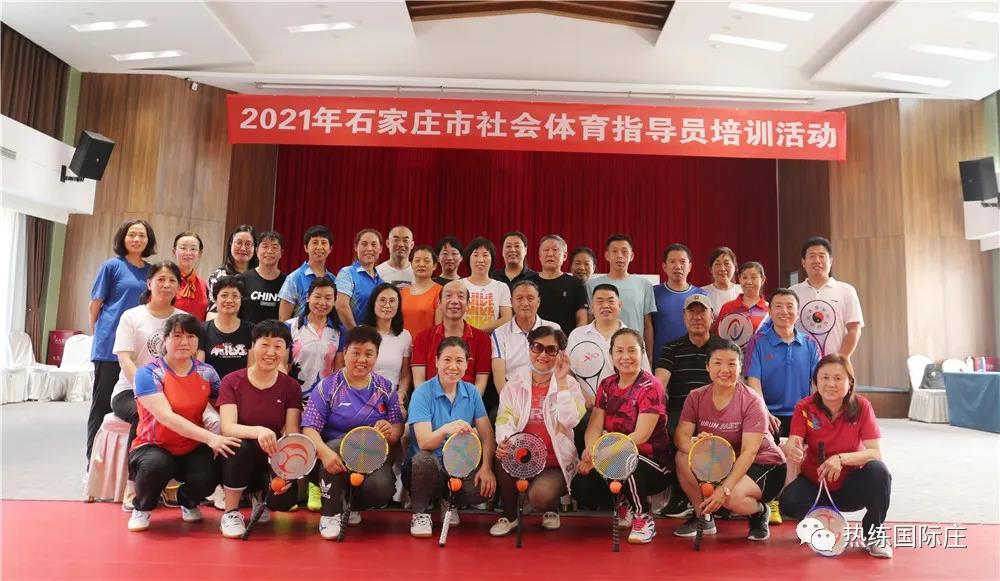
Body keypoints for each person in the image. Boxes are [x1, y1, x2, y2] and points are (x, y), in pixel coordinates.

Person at [126, 313, 239, 532]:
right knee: (156, 466)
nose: (184, 342)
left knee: (211, 472)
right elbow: (166, 417)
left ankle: (186, 501)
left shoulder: (207, 373)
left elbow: (224, 407)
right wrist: (211, 438)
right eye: (177, 336)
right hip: (153, 445)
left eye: (191, 336)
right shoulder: (148, 373)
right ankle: (142, 507)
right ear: (165, 340)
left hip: (191, 446)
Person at [671, 339, 787, 542]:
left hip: (764, 464)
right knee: (683, 457)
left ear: (740, 368)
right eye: (717, 363)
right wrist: (697, 446)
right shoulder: (696, 396)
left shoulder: (752, 400)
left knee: (731, 497)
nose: (724, 370)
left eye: (732, 364)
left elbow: (750, 452)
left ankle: (759, 512)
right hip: (725, 460)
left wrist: (724, 490)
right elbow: (681, 437)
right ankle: (703, 517)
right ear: (707, 366)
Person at [778, 354, 893, 558]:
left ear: (850, 383)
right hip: (816, 485)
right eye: (825, 378)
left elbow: (875, 452)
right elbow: (794, 441)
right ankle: (822, 523)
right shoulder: (804, 407)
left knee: (879, 472)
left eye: (838, 378)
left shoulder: (862, 407)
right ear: (815, 382)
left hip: (850, 486)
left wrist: (841, 459)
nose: (831, 384)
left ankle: (874, 534)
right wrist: (792, 449)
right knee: (788, 500)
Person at [301, 326, 405, 539]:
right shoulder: (327, 387)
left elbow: (396, 428)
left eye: (369, 354)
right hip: (331, 458)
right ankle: (330, 514)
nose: (362, 359)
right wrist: (324, 453)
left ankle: (352, 504)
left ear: (376, 356)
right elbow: (309, 428)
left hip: (370, 456)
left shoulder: (385, 388)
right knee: (333, 447)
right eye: (356, 353)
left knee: (383, 487)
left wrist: (389, 431)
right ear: (345, 353)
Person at [572, 328, 671, 545]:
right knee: (582, 484)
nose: (625, 357)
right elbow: (594, 426)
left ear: (642, 353)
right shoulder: (607, 385)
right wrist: (590, 451)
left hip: (652, 463)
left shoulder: (651, 386)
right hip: (612, 455)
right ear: (611, 355)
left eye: (632, 350)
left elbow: (640, 436)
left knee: (627, 461)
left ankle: (643, 516)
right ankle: (625, 502)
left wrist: (600, 455)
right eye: (619, 351)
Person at [491, 327, 585, 536]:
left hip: (554, 462)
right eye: (537, 347)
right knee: (502, 454)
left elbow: (570, 420)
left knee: (540, 497)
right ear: (529, 348)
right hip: (523, 457)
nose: (543, 354)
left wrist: (562, 381)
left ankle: (550, 507)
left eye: (551, 350)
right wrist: (506, 441)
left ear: (559, 354)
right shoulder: (514, 384)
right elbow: (504, 419)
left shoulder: (570, 385)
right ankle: (510, 515)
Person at [216, 320, 302, 538]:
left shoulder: (291, 387)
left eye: (278, 346)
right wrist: (260, 431)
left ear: (286, 351)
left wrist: (288, 470)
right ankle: (231, 512)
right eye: (265, 344)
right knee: (237, 447)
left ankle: (258, 496)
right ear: (253, 346)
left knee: (283, 501)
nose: (271, 352)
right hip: (239, 454)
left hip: (271, 455)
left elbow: (292, 432)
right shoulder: (231, 381)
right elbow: (227, 427)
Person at [405, 337, 497, 538]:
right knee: (424, 460)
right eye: (447, 360)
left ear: (467, 364)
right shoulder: (422, 393)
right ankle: (420, 512)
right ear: (436, 361)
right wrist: (447, 428)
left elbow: (487, 434)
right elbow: (424, 442)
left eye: (459, 361)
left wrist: (486, 467)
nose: (453, 367)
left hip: (458, 465)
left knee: (483, 489)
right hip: (425, 467)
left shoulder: (471, 392)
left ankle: (449, 500)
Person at [110, 261, 187, 493]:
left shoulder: (184, 319)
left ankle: (173, 482)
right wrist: (146, 391)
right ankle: (133, 485)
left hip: (173, 389)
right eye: (160, 279)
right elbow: (125, 360)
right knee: (142, 414)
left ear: (179, 287)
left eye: (172, 280)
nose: (166, 284)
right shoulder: (132, 316)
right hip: (130, 390)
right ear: (149, 283)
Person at [746, 288, 821, 526]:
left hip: (801, 413)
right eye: (778, 306)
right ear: (769, 311)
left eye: (790, 307)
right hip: (769, 413)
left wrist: (812, 413)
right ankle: (772, 500)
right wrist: (763, 412)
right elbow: (753, 380)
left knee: (809, 454)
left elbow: (817, 383)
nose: (784, 311)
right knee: (772, 458)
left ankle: (806, 500)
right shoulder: (758, 342)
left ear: (798, 313)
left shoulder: (810, 344)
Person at [86, 219, 155, 461]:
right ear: (123, 238)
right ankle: (92, 463)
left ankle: (127, 463)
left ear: (149, 240)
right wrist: (99, 335)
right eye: (131, 234)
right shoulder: (111, 266)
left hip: (139, 348)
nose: (136, 239)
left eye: (142, 235)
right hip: (110, 346)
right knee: (102, 405)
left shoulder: (152, 271)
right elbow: (95, 305)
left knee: (136, 405)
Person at [654, 293, 715, 518]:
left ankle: (718, 498)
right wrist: (654, 404)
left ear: (712, 316)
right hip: (680, 412)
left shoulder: (722, 347)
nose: (697, 317)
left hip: (716, 413)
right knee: (667, 430)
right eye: (692, 312)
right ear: (684, 317)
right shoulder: (672, 347)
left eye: (702, 312)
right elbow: (660, 380)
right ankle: (681, 496)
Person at [566, 284, 651, 408]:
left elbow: (645, 377)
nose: (605, 305)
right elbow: (567, 372)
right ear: (592, 307)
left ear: (620, 305)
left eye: (611, 301)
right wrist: (584, 397)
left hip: (624, 410)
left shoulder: (633, 337)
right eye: (600, 301)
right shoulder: (576, 335)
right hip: (585, 408)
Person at [411, 281, 491, 395]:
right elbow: (419, 383)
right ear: (439, 302)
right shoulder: (422, 338)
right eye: (448, 295)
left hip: (468, 402)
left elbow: (480, 384)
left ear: (468, 303)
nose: (454, 301)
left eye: (460, 296)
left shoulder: (482, 339)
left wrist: (465, 404)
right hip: (430, 401)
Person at [586, 234, 655, 365]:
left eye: (624, 252)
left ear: (631, 256)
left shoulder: (644, 285)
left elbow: (647, 324)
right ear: (607, 255)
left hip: (633, 352)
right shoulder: (592, 285)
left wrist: (649, 357)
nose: (619, 256)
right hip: (600, 351)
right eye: (614, 251)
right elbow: (589, 320)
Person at [790, 237, 864, 357]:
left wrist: (841, 359)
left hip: (835, 363)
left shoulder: (846, 290)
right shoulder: (792, 292)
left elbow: (854, 329)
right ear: (803, 262)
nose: (817, 260)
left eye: (822, 256)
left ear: (830, 261)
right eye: (812, 256)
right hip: (800, 362)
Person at [491, 280, 560, 391]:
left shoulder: (554, 328)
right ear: (511, 302)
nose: (524, 303)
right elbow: (498, 373)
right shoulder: (500, 333)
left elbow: (561, 365)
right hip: (513, 392)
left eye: (530, 298)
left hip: (549, 391)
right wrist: (507, 399)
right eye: (519, 298)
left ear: (538, 301)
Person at [287, 278, 343, 399]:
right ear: (308, 297)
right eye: (317, 296)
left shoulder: (340, 332)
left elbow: (338, 372)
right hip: (291, 395)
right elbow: (281, 366)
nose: (322, 303)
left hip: (323, 398)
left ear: (334, 301)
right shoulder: (290, 326)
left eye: (328, 298)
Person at [652, 243, 703, 363]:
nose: (678, 266)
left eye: (682, 261)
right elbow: (648, 327)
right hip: (661, 358)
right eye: (672, 261)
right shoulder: (653, 293)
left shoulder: (701, 294)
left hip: (693, 359)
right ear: (664, 266)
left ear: (690, 266)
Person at [529, 234, 589, 336]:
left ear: (564, 256)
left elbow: (582, 321)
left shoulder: (575, 284)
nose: (550, 254)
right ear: (539, 256)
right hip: (534, 342)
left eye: (555, 250)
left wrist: (575, 340)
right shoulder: (528, 283)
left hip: (566, 342)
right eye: (546, 250)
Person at [362, 283, 413, 399]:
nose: (387, 305)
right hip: (363, 397)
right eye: (382, 300)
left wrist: (400, 397)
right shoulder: (361, 333)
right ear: (373, 303)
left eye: (392, 301)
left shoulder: (404, 336)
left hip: (392, 399)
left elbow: (405, 375)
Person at [199, 276, 254, 380]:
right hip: (211, 388)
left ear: (241, 299)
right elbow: (200, 370)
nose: (229, 300)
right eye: (224, 295)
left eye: (235, 296)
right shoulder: (202, 330)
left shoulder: (251, 330)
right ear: (215, 299)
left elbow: (251, 369)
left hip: (240, 388)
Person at [278, 225, 335, 321]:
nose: (319, 247)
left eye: (324, 243)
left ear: (330, 248)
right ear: (306, 247)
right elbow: (283, 318)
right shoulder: (294, 278)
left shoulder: (333, 279)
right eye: (315, 242)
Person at [711, 261, 770, 353]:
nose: (749, 282)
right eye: (744, 277)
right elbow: (719, 338)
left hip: (762, 359)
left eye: (754, 277)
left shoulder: (770, 310)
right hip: (733, 359)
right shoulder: (728, 307)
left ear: (762, 279)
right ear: (739, 279)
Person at [335, 228, 385, 330]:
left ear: (380, 249)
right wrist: (356, 333)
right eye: (364, 244)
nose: (369, 249)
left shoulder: (381, 282)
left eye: (374, 244)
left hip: (372, 337)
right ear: (356, 247)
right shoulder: (347, 273)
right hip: (349, 336)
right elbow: (341, 306)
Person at [461, 237, 512, 333]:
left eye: (485, 255)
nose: (480, 260)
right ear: (468, 258)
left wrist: (478, 331)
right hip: (462, 339)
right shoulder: (458, 285)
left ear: (492, 259)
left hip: (492, 339)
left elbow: (507, 318)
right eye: (475, 255)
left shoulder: (501, 287)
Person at [237, 230, 287, 325]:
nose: (269, 251)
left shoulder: (288, 282)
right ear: (256, 251)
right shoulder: (242, 279)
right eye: (265, 246)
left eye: (274, 247)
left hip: (276, 333)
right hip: (247, 333)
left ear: (281, 253)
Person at [208, 225, 257, 313]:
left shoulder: (259, 276)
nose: (243, 248)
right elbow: (213, 310)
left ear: (255, 248)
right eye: (239, 243)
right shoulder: (218, 276)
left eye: (248, 244)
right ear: (230, 244)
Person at [399, 245, 442, 337]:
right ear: (411, 264)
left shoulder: (440, 292)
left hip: (426, 344)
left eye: (426, 261)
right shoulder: (403, 292)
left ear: (434, 266)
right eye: (417, 260)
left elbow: (439, 329)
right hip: (403, 344)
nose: (421, 264)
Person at [171, 232, 209, 321]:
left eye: (193, 249)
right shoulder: (167, 282)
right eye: (183, 248)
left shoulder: (204, 285)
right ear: (174, 252)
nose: (188, 253)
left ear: (200, 253)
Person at [702, 247, 740, 314]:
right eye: (717, 264)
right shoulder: (702, 292)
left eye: (726, 263)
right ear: (711, 269)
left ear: (734, 267)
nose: (722, 269)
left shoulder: (742, 291)